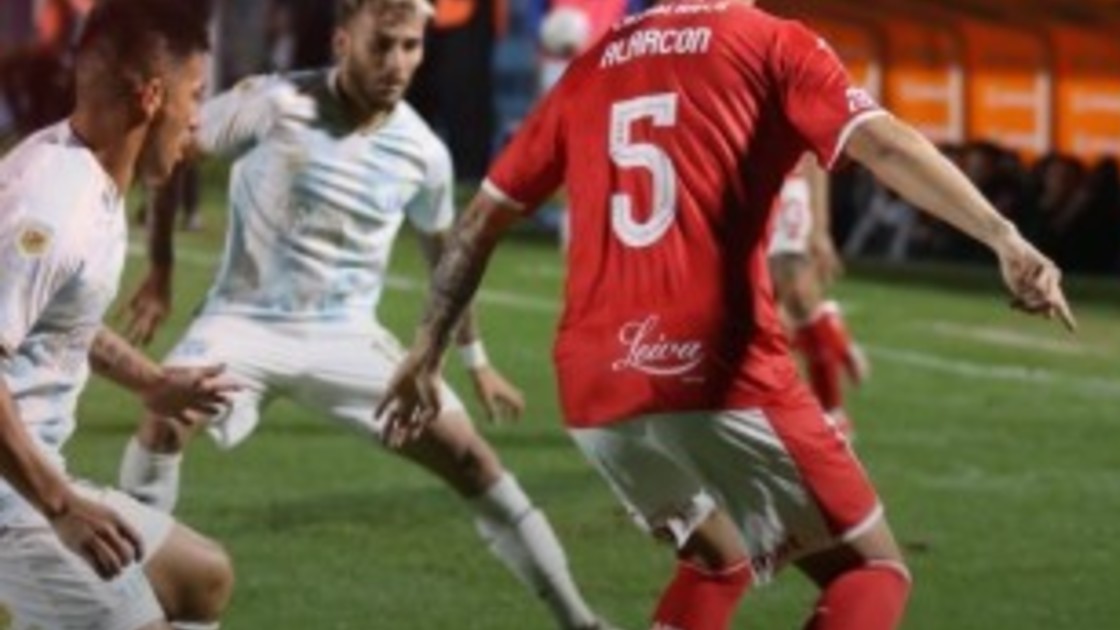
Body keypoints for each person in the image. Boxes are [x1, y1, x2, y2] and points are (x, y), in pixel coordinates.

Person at [377, 1, 1075, 628]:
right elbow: (885, 145)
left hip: (593, 387)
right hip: (712, 366)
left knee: (720, 559)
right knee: (872, 571)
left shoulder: (594, 63)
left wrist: (427, 350)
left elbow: (478, 222)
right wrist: (1002, 235)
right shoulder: (772, 41)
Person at [117, 1, 614, 628]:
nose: (397, 63)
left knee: (472, 459)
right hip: (242, 322)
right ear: (342, 42)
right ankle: (122, 605)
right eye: (382, 45)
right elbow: (170, 151)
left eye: (410, 46)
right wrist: (160, 270)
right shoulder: (274, 102)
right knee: (164, 420)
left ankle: (581, 621)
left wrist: (476, 361)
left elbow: (448, 265)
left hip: (347, 337)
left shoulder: (423, 152)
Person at [0, 1, 236, 628]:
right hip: (11, 505)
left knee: (202, 577)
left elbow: (60, 322)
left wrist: (152, 383)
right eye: (195, 95)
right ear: (153, 97)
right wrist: (60, 506)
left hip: (27, 479)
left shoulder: (85, 180)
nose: (198, 120)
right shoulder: (53, 209)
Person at [768, 154, 867, 436]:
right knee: (765, 310)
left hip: (786, 189)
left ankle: (832, 413)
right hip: (735, 189)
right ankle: (829, 326)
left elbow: (814, 154)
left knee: (796, 294)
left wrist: (820, 228)